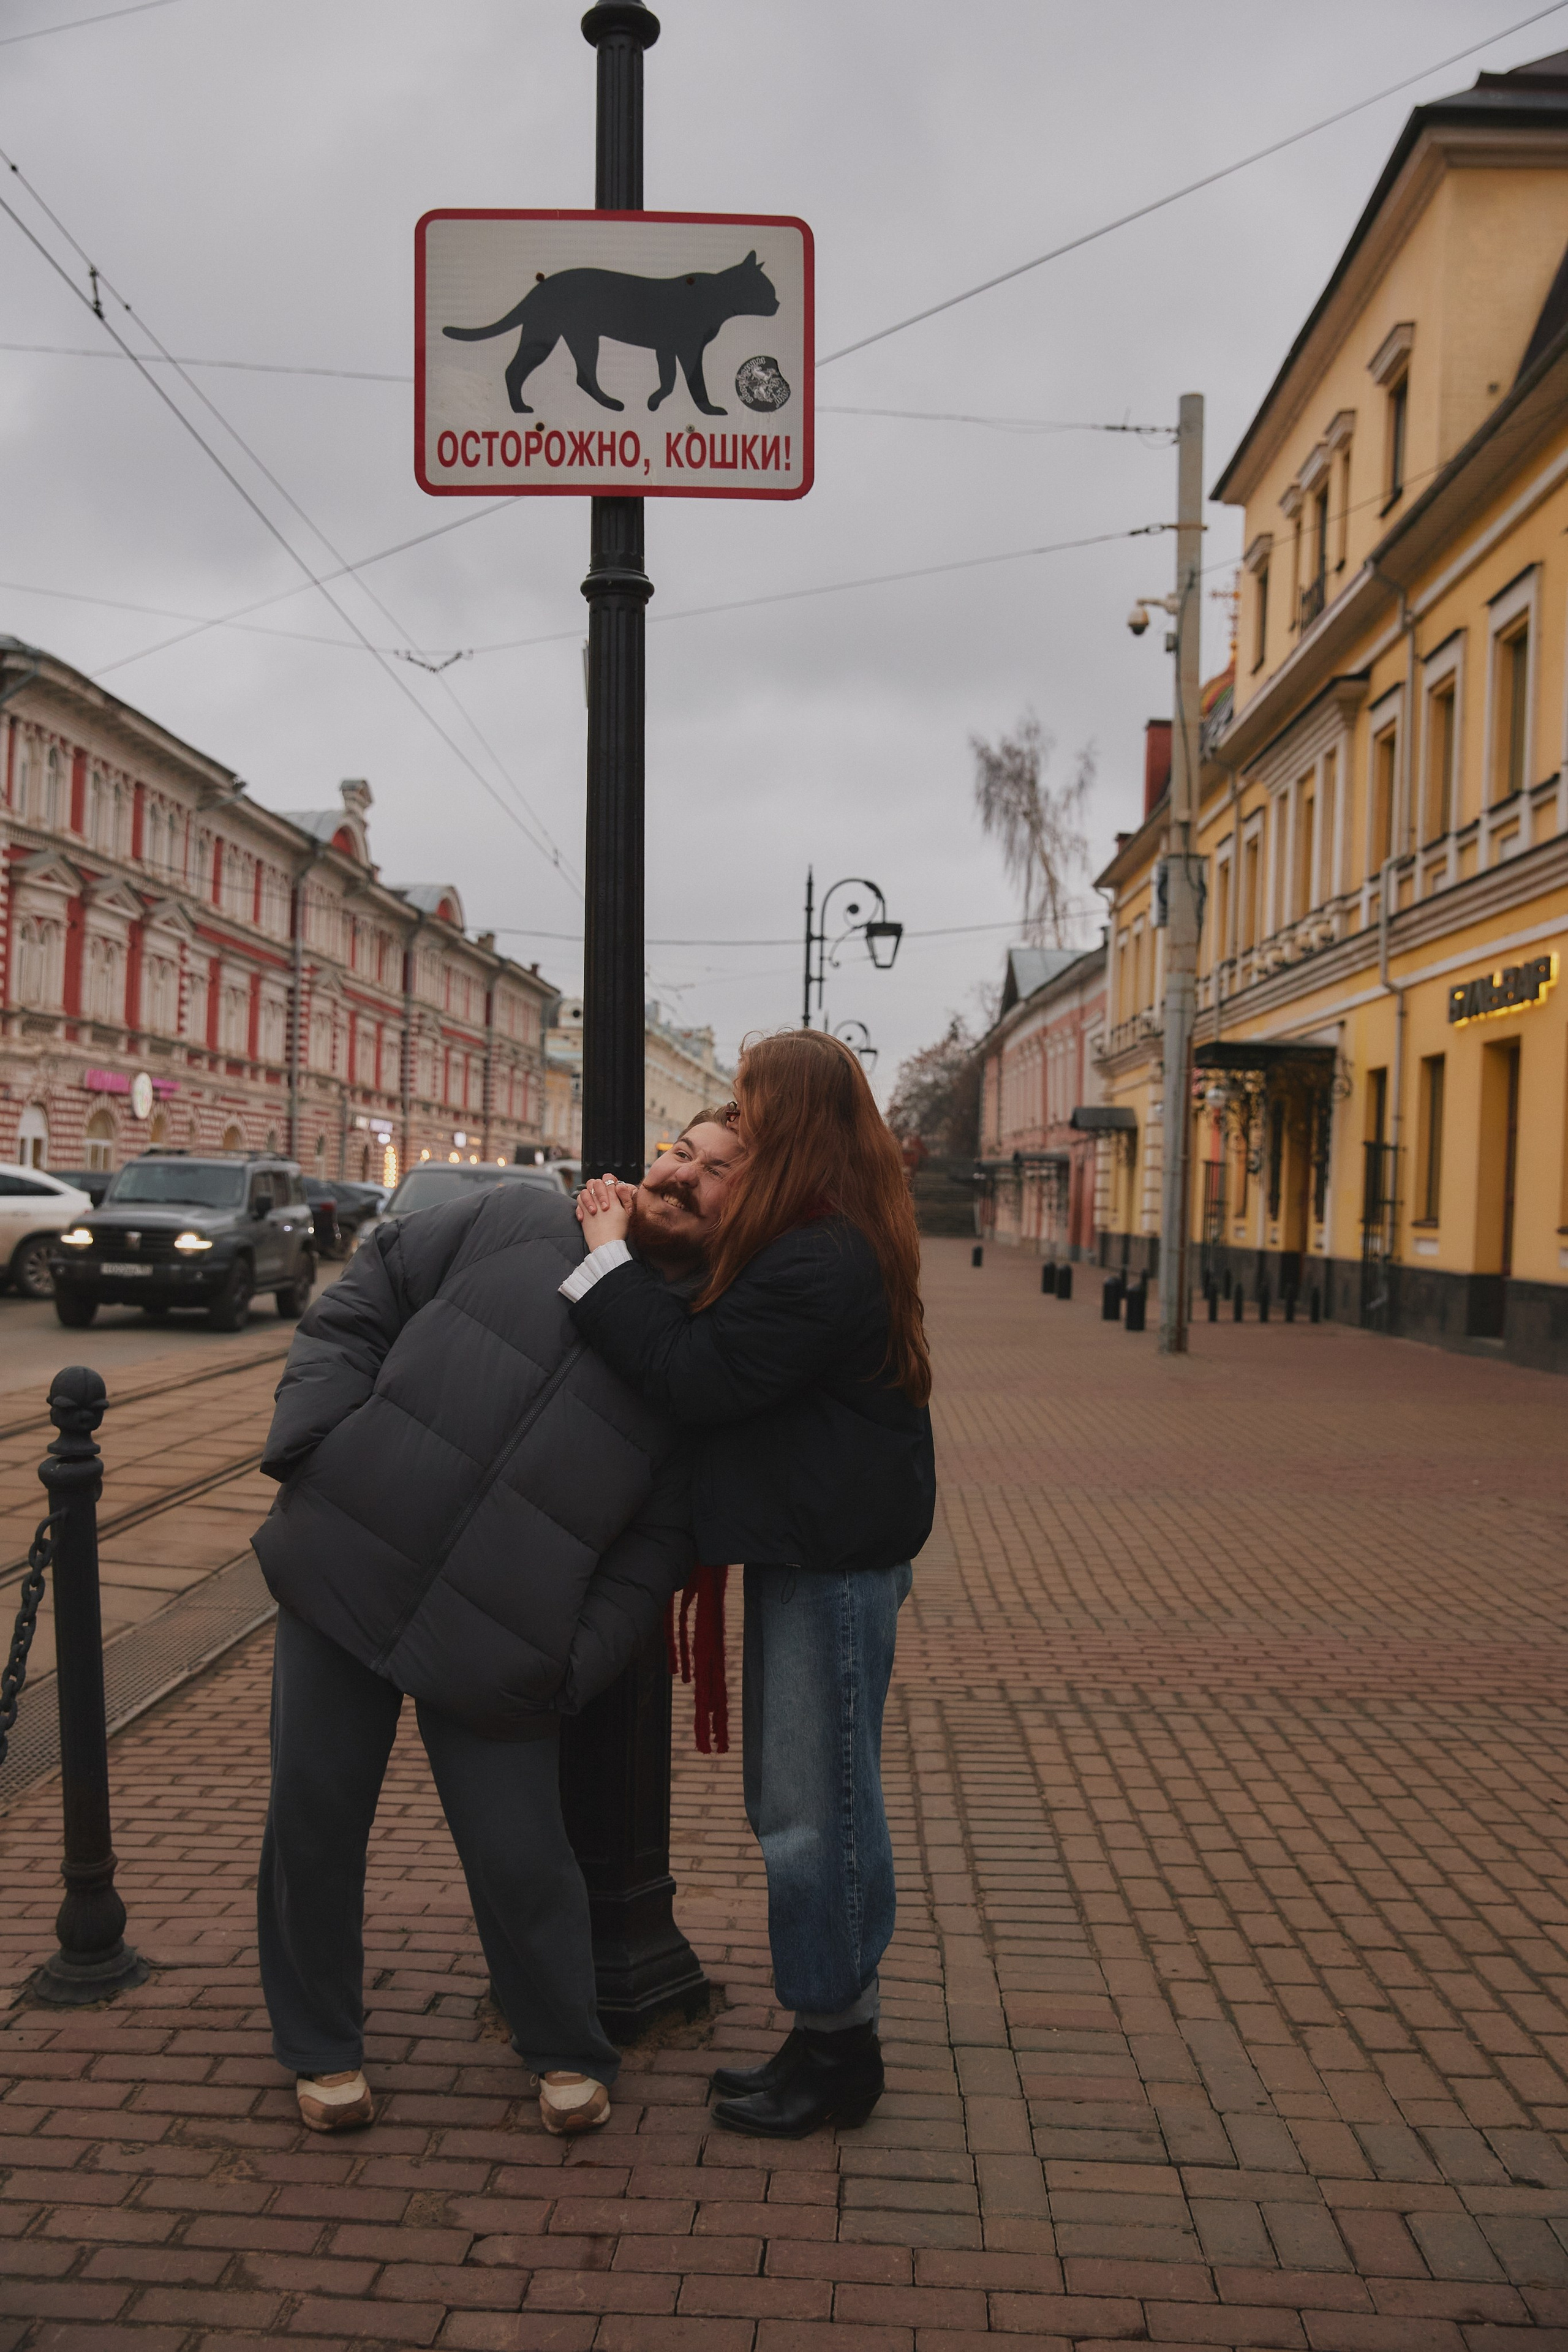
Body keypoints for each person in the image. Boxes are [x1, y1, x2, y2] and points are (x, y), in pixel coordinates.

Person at [251, 1114, 745, 2141]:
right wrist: (316, 1442)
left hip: (504, 1634)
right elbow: (365, 1296)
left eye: (717, 1173)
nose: (683, 1177)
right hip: (350, 1552)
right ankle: (320, 2045)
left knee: (523, 1850)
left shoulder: (692, 1352)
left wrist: (573, 1657)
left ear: (747, 1210)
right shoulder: (520, 1220)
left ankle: (565, 2048)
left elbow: (662, 1543)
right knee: (313, 1816)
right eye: (680, 1154)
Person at [565, 1029, 936, 2139]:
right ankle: (829, 2035)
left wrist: (604, 1256)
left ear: (793, 1124)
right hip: (816, 1552)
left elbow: (695, 1376)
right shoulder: (821, 1238)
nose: (736, 1118)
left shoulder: (818, 1259)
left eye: (749, 1109)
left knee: (815, 1816)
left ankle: (839, 2049)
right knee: (802, 1807)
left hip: (829, 1563)